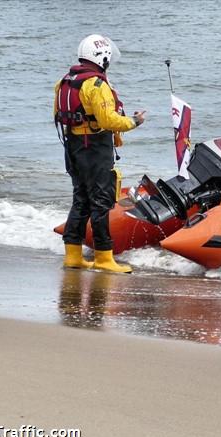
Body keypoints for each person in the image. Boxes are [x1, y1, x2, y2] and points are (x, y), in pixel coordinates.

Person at [54, 34, 146, 273]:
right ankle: (104, 257)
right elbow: (109, 120)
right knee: (101, 202)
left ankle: (73, 255)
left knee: (80, 199)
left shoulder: (65, 81)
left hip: (73, 146)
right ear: (102, 57)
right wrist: (134, 121)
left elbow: (59, 113)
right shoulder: (96, 85)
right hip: (95, 148)